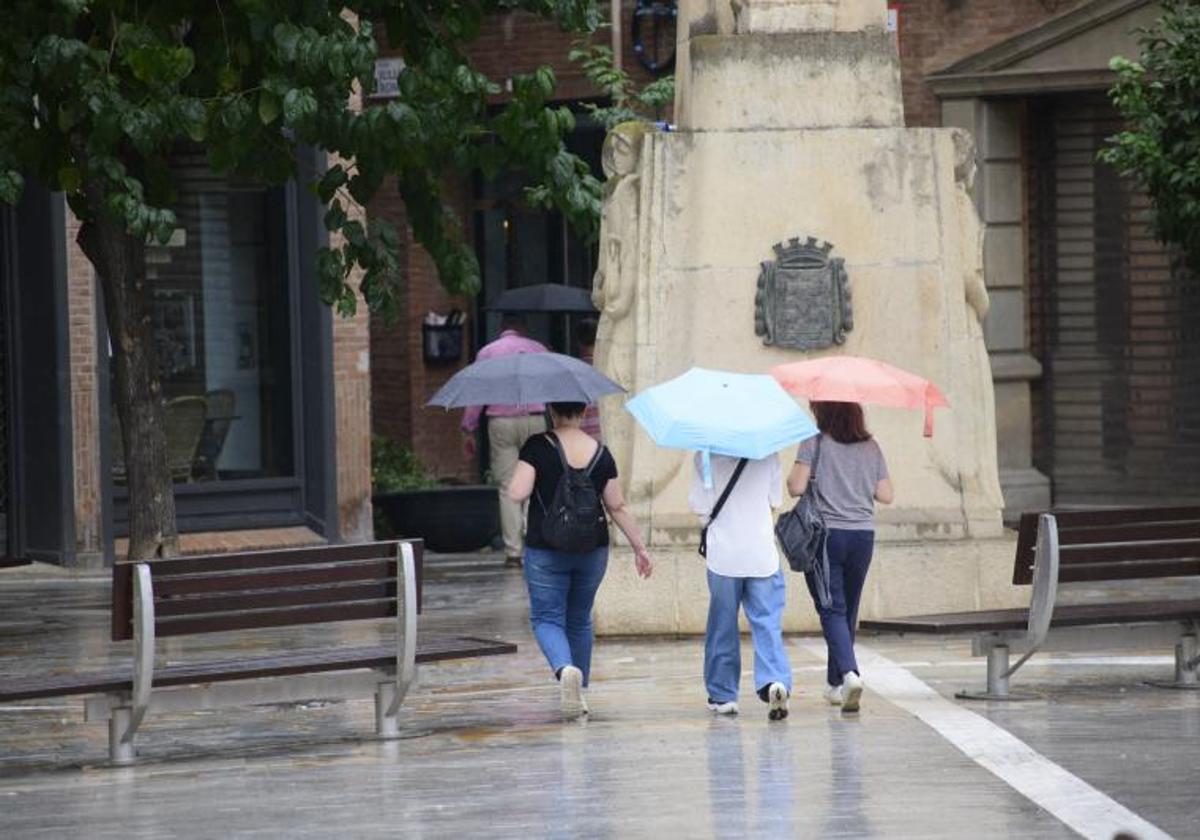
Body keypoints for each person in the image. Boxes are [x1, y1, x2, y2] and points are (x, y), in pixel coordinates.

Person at [508, 401, 653, 720]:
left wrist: (521, 469)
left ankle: (565, 670)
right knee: (579, 618)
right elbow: (617, 506)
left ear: (552, 411)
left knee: (547, 618)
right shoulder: (601, 453)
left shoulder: (537, 446)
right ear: (583, 412)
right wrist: (640, 548)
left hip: (546, 548)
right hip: (592, 550)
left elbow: (517, 493)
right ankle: (581, 691)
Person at [787, 401, 893, 713]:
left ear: (823, 411)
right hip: (862, 536)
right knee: (847, 609)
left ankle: (850, 673)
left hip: (826, 537)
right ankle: (835, 684)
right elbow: (886, 494)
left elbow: (795, 487)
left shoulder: (813, 442)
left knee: (830, 608)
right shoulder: (871, 447)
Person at [688, 452, 792, 721]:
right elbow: (774, 502)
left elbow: (700, 507)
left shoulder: (705, 456)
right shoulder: (768, 454)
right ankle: (774, 680)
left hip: (724, 555)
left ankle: (723, 696)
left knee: (722, 624)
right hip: (761, 553)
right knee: (767, 622)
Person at [461, 313, 549, 567]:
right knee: (537, 482)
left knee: (508, 486)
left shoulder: (488, 353)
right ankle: (534, 540)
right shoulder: (538, 350)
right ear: (523, 329)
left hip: (501, 421)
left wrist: (469, 427)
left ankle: (513, 551)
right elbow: (550, 386)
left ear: (502, 329)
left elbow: (478, 393)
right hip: (535, 418)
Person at [575, 317, 603, 443]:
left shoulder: (573, 373)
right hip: (605, 437)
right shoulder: (609, 370)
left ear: (579, 343)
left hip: (581, 440)